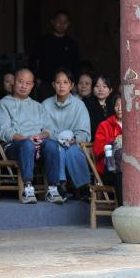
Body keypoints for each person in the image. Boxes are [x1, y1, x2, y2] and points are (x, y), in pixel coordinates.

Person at [0, 68, 65, 205]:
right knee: (27, 144)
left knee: (52, 144)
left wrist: (42, 135)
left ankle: (53, 189)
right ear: (14, 82)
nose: (24, 86)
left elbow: (49, 128)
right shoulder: (3, 104)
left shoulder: (38, 106)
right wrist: (26, 139)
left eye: (28, 83)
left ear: (32, 86)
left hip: (38, 143)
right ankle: (28, 188)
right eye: (21, 82)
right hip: (16, 146)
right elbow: (3, 131)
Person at [42, 69, 93, 198]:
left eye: (65, 82)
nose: (62, 86)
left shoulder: (79, 105)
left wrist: (75, 138)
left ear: (71, 85)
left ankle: (84, 187)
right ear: (53, 85)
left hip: (73, 143)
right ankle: (61, 185)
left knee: (73, 151)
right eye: (58, 82)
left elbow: (85, 132)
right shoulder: (45, 105)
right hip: (53, 143)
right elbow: (42, 128)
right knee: (57, 149)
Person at [33, 10, 80, 98]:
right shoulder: (43, 41)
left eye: (65, 22)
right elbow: (34, 60)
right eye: (59, 21)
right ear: (53, 22)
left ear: (68, 24)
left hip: (65, 84)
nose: (61, 24)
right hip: (46, 83)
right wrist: (36, 79)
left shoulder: (72, 44)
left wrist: (75, 83)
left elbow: (75, 65)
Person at [93, 94, 123, 204]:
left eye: (123, 105)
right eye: (116, 105)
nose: (119, 108)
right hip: (110, 169)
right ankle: (123, 209)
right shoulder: (105, 125)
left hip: (129, 168)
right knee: (121, 175)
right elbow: (97, 149)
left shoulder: (134, 125)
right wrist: (113, 142)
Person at [85, 75, 117, 139]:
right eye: (97, 86)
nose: (101, 89)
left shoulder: (113, 105)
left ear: (110, 90)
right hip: (93, 139)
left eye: (104, 86)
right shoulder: (86, 103)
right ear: (92, 89)